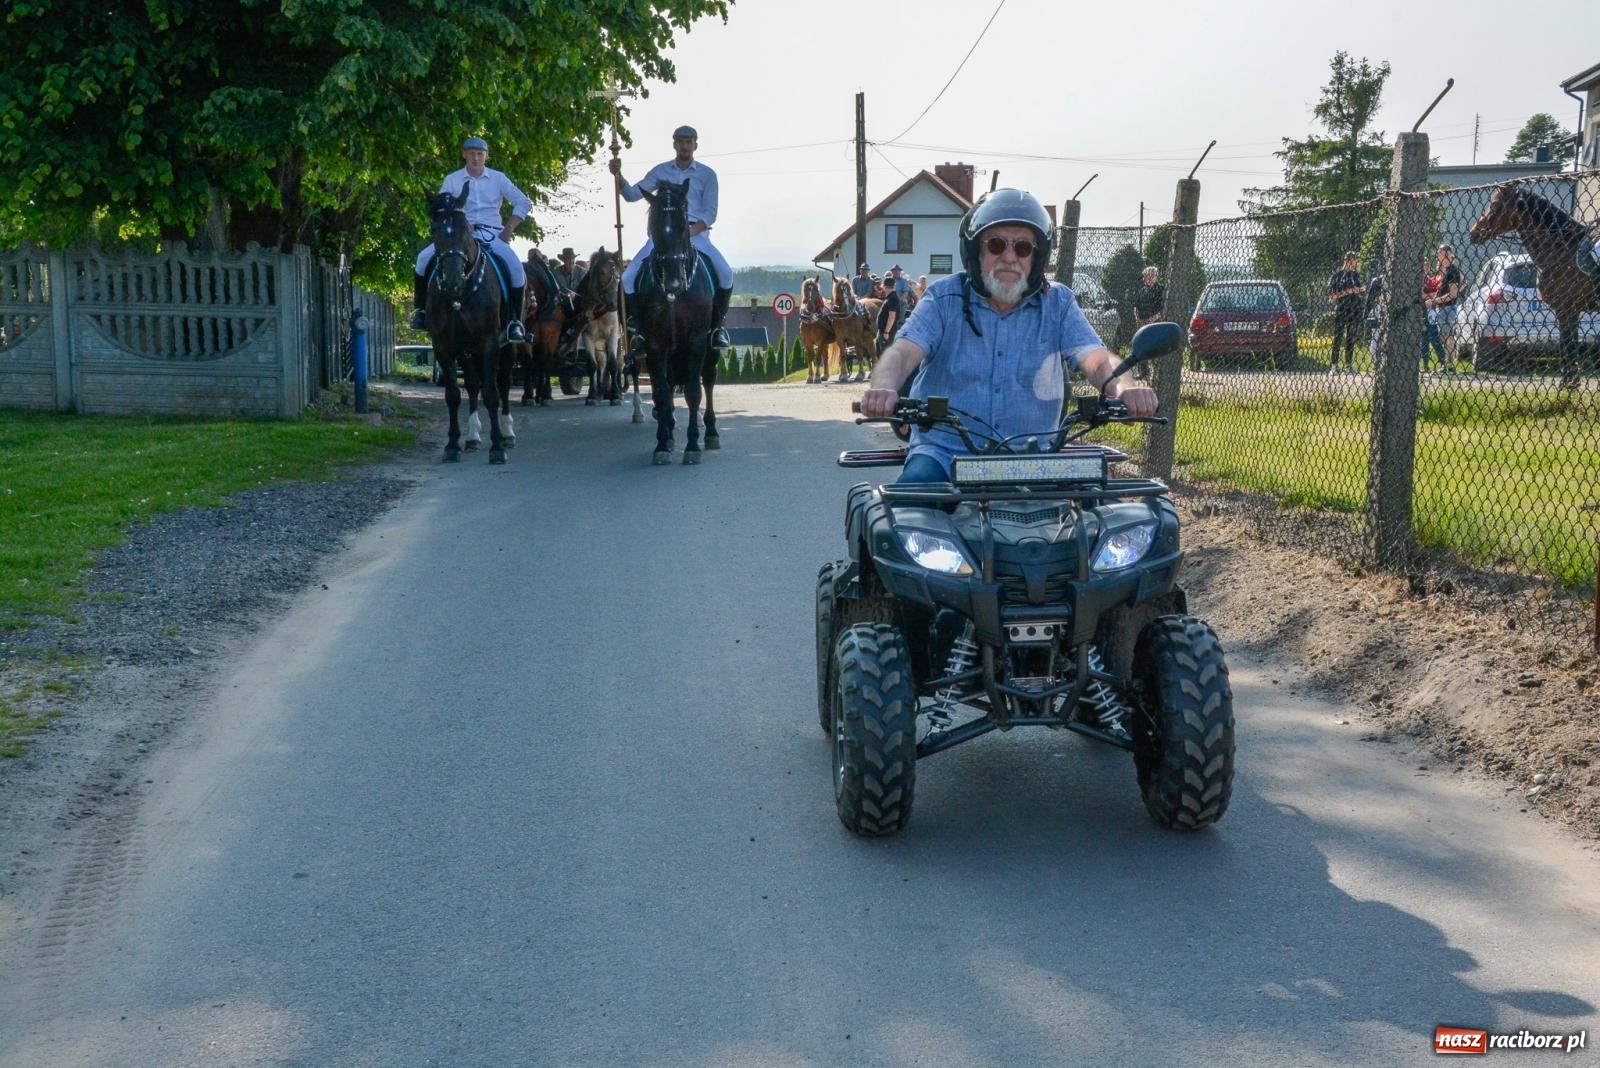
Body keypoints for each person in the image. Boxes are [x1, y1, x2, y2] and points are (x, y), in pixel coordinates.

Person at [858, 188, 1157, 483]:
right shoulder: (943, 298)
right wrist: (883, 389)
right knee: (911, 500)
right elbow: (903, 353)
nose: (1010, 257)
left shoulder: (1058, 303)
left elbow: (1096, 359)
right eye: (996, 245)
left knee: (1099, 507)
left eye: (1023, 248)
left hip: (1035, 459)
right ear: (975, 252)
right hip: (944, 455)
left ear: (1036, 257)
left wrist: (1126, 388)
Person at [610, 125, 734, 349]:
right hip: (662, 236)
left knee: (726, 274)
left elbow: (710, 213)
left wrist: (687, 233)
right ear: (674, 144)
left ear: (695, 145)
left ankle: (717, 328)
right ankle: (635, 328)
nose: (685, 146)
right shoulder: (661, 171)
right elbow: (632, 195)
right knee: (627, 278)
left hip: (695, 234)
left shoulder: (707, 174)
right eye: (681, 142)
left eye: (689, 142)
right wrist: (618, 177)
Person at [410, 136, 531, 345]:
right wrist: (462, 223)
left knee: (516, 268)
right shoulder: (452, 180)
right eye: (472, 154)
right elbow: (442, 208)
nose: (476, 158)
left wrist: (509, 228)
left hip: (492, 234)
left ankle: (514, 322)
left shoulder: (498, 178)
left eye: (480, 154)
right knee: (422, 259)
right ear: (464, 155)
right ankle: (421, 310)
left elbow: (523, 202)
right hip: (459, 235)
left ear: (486, 156)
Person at [1426, 243, 1463, 372]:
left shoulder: (1453, 271)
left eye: (1439, 254)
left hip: (1448, 308)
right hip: (1442, 308)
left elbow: (1453, 294)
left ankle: (1450, 365)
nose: (1437, 256)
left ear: (1446, 254)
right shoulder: (1446, 271)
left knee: (1447, 336)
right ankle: (1448, 363)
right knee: (1444, 336)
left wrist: (1435, 301)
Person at [1327, 251, 1364, 374]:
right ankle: (1334, 366)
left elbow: (1359, 290)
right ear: (1347, 261)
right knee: (1338, 337)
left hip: (1354, 310)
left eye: (1355, 262)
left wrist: (1360, 290)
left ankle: (1348, 366)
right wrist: (1348, 291)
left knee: (1351, 338)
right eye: (1352, 261)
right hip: (1341, 309)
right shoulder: (1337, 275)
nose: (1354, 264)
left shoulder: (1355, 275)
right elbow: (1331, 296)